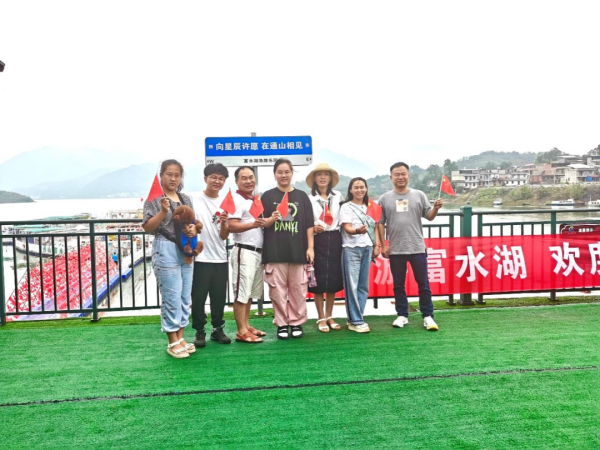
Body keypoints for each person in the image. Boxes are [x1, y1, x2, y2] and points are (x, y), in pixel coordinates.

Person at [143, 159, 198, 359]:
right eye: (169, 174)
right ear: (161, 176)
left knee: (184, 296)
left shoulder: (185, 199)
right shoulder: (155, 199)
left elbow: (192, 222)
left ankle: (180, 336)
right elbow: (148, 227)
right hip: (165, 247)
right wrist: (163, 211)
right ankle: (172, 340)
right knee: (171, 295)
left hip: (185, 249)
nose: (173, 178)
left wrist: (193, 230)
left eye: (177, 175)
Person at [377, 162, 442, 331]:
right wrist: (383, 245)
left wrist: (435, 208)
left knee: (423, 283)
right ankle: (402, 315)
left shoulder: (419, 195)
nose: (400, 177)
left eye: (403, 174)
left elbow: (429, 216)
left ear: (409, 176)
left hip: (417, 247)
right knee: (398, 284)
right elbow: (380, 223)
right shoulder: (384, 198)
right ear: (391, 177)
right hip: (396, 249)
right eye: (397, 174)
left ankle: (428, 316)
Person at [261, 158, 314, 339]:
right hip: (275, 251)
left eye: (287, 172)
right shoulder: (267, 196)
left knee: (298, 289)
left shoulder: (302, 196)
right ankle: (282, 324)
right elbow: (261, 223)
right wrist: (271, 219)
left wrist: (310, 248)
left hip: (298, 251)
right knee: (277, 291)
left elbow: (309, 225)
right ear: (274, 174)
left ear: (292, 173)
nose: (283, 175)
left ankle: (297, 322)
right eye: (280, 172)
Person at [228, 166, 277, 343]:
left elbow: (259, 223)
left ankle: (246, 325)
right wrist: (253, 224)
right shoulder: (236, 200)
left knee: (248, 293)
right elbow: (231, 226)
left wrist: (271, 219)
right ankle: (241, 331)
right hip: (244, 250)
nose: (249, 181)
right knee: (241, 293)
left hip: (257, 252)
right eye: (244, 178)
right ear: (237, 181)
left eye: (251, 177)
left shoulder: (254, 199)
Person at [190, 163, 231, 347]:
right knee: (198, 297)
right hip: (200, 258)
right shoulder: (193, 199)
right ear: (205, 178)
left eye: (221, 178)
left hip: (220, 257)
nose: (217, 181)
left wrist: (225, 223)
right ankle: (199, 330)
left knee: (219, 297)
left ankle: (217, 329)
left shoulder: (224, 204)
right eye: (213, 177)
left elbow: (224, 236)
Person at [305, 163, 344, 332]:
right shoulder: (309, 198)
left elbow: (344, 217)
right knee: (318, 280)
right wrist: (314, 228)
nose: (322, 177)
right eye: (319, 174)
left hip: (335, 238)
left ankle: (329, 315)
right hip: (317, 239)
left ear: (330, 178)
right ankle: (320, 317)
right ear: (314, 178)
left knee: (333, 279)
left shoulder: (338, 196)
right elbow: (306, 222)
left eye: (325, 174)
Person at [339, 177, 380, 333]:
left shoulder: (371, 206)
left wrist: (377, 245)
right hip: (351, 249)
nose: (359, 190)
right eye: (356, 187)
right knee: (352, 286)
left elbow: (375, 227)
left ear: (366, 188)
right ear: (350, 190)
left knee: (363, 286)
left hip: (367, 248)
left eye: (362, 187)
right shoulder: (346, 207)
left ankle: (356, 318)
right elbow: (347, 228)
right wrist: (357, 231)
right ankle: (356, 320)